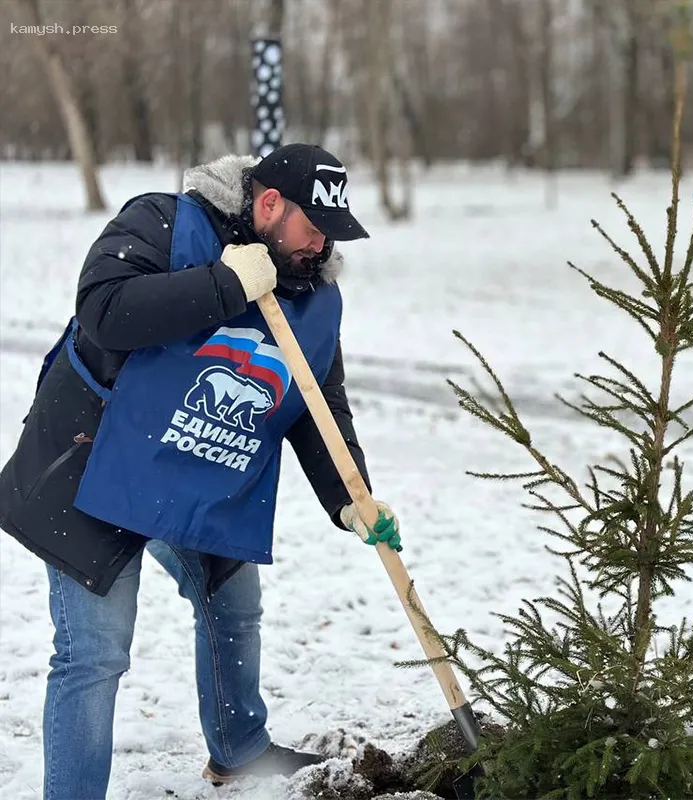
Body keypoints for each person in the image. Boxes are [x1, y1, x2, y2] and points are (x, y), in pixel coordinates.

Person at [0, 142, 405, 799]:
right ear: (269, 204)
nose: (321, 247)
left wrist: (348, 497)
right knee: (94, 653)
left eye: (333, 234)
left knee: (233, 605)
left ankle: (239, 748)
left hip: (194, 468)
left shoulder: (312, 294)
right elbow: (106, 313)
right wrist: (228, 285)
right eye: (312, 229)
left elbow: (315, 404)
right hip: (94, 460)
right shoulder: (160, 225)